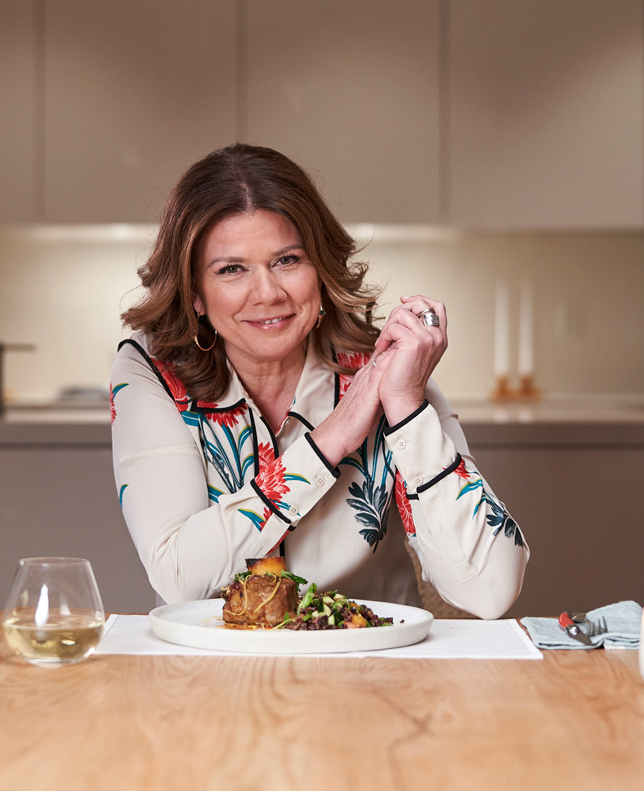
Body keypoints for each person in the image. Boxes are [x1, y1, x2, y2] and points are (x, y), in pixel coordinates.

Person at [109, 144, 528, 618]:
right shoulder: (151, 372)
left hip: (373, 666)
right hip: (216, 672)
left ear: (320, 269)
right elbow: (179, 576)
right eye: (231, 269)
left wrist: (408, 409)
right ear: (195, 294)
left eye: (287, 260)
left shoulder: (385, 371)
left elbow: (490, 590)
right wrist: (329, 441)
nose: (267, 293)